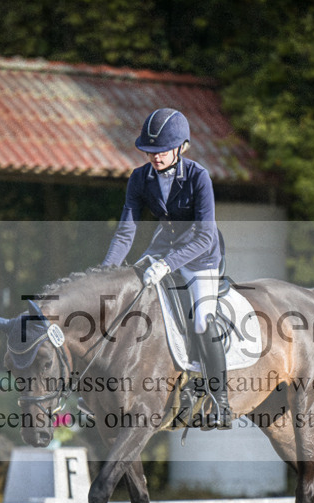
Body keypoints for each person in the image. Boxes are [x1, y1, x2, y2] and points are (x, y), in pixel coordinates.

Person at [101, 107, 232, 429]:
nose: (154, 157)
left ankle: (221, 401)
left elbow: (204, 235)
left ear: (181, 148)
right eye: (149, 151)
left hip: (201, 257)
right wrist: (105, 270)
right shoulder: (139, 178)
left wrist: (166, 265)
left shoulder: (199, 177)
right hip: (162, 251)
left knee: (203, 320)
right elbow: (126, 230)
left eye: (161, 151)